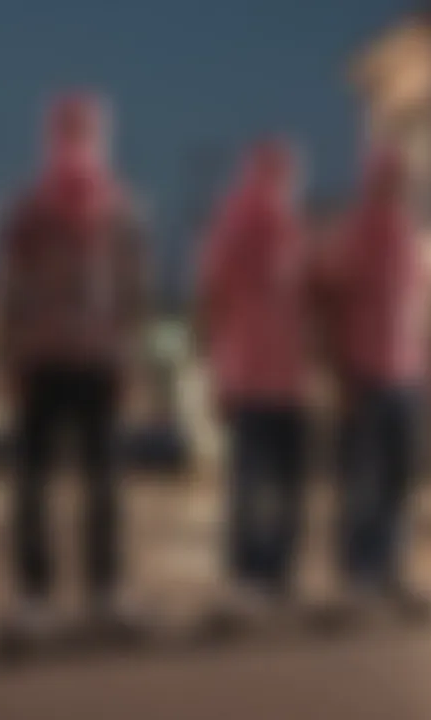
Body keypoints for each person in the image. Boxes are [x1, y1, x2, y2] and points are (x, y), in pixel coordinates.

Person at [0, 92, 148, 637]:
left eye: (88, 132)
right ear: (52, 136)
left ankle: (104, 592)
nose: (79, 142)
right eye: (69, 131)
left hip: (100, 362)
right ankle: (33, 597)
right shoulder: (32, 207)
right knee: (33, 483)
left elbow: (133, 288)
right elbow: (12, 286)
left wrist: (130, 358)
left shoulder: (120, 204)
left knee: (104, 483)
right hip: (41, 358)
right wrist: (8, 355)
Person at [197, 140, 309, 620]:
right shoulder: (236, 224)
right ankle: (249, 577)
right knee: (252, 485)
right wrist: (218, 373)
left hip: (290, 381)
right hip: (249, 379)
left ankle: (277, 574)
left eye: (287, 171)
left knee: (285, 485)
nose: (283, 178)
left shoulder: (293, 231)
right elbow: (212, 300)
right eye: (275, 169)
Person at [321, 147, 431, 618]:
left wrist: (428, 370)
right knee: (363, 481)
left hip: (407, 375)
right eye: (392, 176)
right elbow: (331, 299)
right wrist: (341, 369)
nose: (400, 183)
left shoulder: (410, 234)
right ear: (375, 179)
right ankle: (357, 577)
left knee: (400, 481)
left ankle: (390, 570)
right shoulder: (357, 231)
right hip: (365, 373)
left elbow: (420, 308)